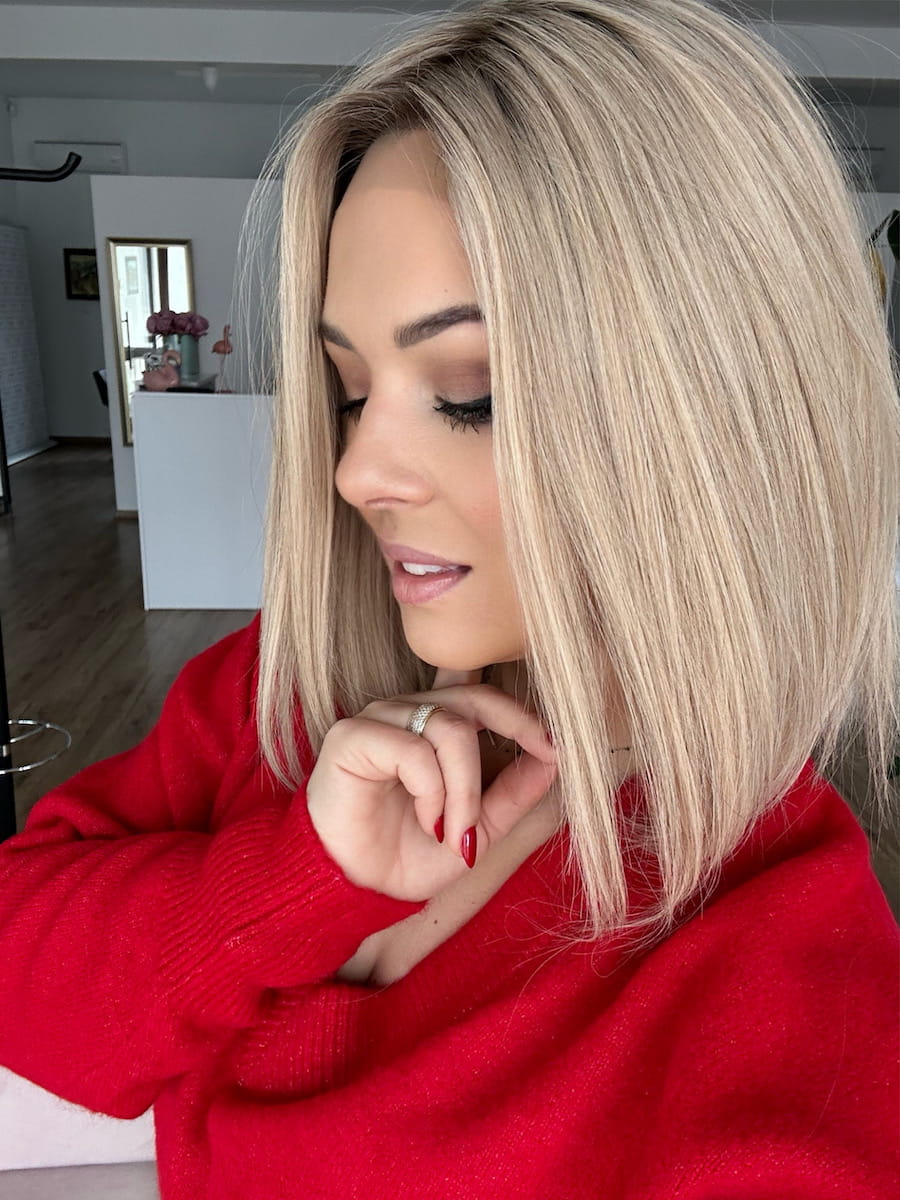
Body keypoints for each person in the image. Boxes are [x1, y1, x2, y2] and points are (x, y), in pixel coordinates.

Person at [1, 0, 898, 1195]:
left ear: (711, 418)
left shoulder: (780, 957)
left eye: (470, 392)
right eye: (348, 389)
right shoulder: (279, 696)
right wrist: (294, 876)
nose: (356, 472)